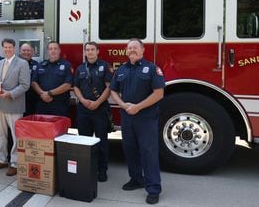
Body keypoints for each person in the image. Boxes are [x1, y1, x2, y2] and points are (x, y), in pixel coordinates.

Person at [109, 38, 165, 205]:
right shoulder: (121, 70)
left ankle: (153, 188)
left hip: (146, 119)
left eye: (135, 47)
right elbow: (113, 90)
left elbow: (159, 93)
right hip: (127, 117)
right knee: (130, 150)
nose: (131, 50)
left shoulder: (152, 69)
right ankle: (136, 179)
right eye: (129, 48)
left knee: (148, 152)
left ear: (142, 50)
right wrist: (123, 105)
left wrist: (138, 107)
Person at [0, 38, 30, 176]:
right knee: (0, 134)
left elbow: (25, 85)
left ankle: (15, 163)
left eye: (10, 47)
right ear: (2, 48)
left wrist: (10, 94)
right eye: (5, 47)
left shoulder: (22, 63)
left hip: (14, 105)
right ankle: (2, 160)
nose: (7, 49)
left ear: (14, 48)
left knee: (16, 136)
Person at [73, 42, 113, 182]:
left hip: (100, 109)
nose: (89, 52)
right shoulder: (80, 68)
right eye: (87, 50)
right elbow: (76, 87)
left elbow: (109, 87)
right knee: (84, 141)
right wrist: (83, 100)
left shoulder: (105, 67)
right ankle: (87, 168)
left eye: (92, 50)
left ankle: (102, 171)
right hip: (83, 109)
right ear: (85, 52)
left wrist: (97, 102)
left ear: (97, 51)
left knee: (102, 142)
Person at [31, 41, 73, 116]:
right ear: (48, 51)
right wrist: (43, 94)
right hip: (42, 104)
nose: (53, 51)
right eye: (50, 49)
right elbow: (34, 82)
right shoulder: (41, 65)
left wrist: (49, 93)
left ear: (59, 50)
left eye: (55, 48)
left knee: (59, 127)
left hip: (60, 105)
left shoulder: (66, 65)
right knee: (42, 127)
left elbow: (67, 85)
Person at [19, 43, 39, 116]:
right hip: (17, 99)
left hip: (31, 100)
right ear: (19, 51)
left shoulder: (37, 65)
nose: (26, 52)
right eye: (24, 50)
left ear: (32, 52)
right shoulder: (14, 64)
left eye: (28, 50)